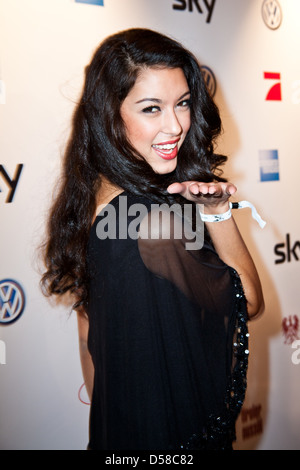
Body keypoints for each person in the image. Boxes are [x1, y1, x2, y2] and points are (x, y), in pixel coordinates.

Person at [41, 28, 264, 451]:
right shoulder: (153, 223)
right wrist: (217, 213)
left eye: (182, 103)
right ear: (110, 114)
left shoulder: (92, 201)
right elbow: (249, 301)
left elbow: (91, 351)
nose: (176, 125)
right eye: (151, 108)